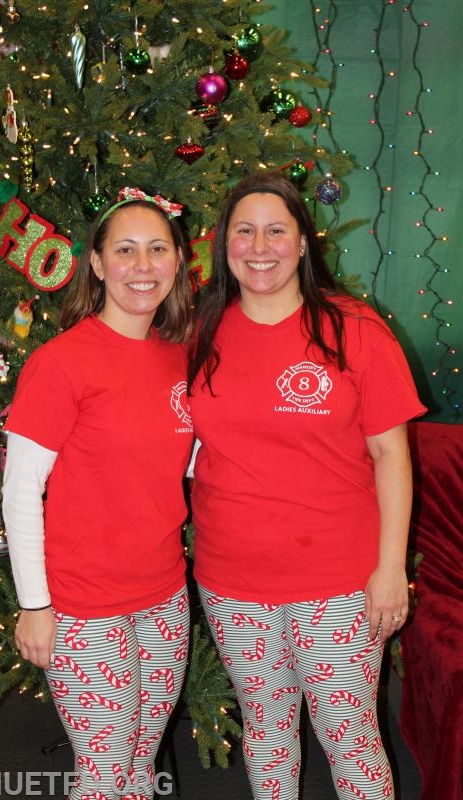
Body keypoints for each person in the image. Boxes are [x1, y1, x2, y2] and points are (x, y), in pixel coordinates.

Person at [187, 172, 426, 800]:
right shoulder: (199, 331)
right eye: (244, 230)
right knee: (266, 729)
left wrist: (390, 567)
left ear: (301, 243)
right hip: (231, 577)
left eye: (275, 230)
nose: (258, 245)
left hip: (341, 578)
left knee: (350, 735)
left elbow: (391, 455)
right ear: (224, 244)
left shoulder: (355, 329)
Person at [2, 187, 194, 800]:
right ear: (96, 263)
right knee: (106, 774)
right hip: (84, 605)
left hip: (164, 598)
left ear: (177, 261)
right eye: (126, 250)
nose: (143, 266)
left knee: (140, 763)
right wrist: (35, 605)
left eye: (157, 249)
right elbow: (20, 491)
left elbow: (190, 462)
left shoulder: (179, 359)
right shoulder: (61, 363)